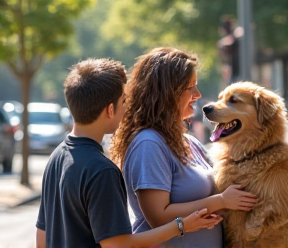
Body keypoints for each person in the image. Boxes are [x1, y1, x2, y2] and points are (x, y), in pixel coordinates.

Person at [35, 58, 223, 248]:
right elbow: (118, 244)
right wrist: (182, 226)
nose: (128, 107)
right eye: (124, 100)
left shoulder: (56, 157)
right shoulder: (102, 171)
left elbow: (41, 238)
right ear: (110, 110)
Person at [110, 47, 258, 248]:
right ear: (168, 93)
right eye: (191, 88)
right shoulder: (148, 144)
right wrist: (221, 201)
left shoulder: (189, 141)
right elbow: (158, 217)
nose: (197, 95)